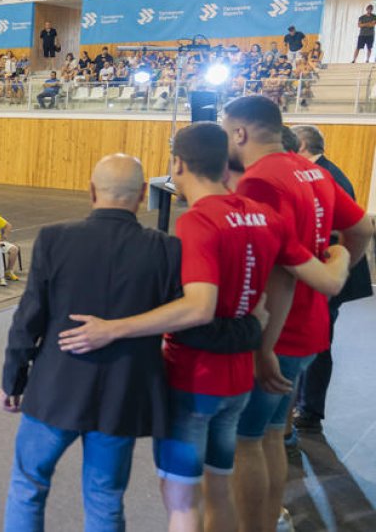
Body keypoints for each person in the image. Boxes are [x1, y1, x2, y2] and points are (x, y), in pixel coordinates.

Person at [56, 124, 352, 532]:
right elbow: (319, 279)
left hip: (195, 378)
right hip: (236, 381)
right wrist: (339, 253)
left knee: (182, 502)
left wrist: (114, 328)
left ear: (177, 164)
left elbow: (199, 307)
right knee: (219, 488)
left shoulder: (198, 222)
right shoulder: (264, 216)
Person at [1, 154, 184, 531]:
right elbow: (178, 319)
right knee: (105, 499)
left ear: (91, 191)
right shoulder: (167, 249)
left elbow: (28, 318)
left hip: (55, 391)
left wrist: (12, 381)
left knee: (28, 487)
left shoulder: (54, 239)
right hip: (122, 396)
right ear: (142, 196)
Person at [219, 96, 371, 532]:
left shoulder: (261, 182)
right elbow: (360, 229)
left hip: (275, 334)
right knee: (269, 433)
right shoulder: (314, 171)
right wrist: (333, 269)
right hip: (309, 324)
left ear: (240, 133)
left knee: (246, 441)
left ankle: (254, 524)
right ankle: (269, 517)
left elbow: (277, 273)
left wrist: (262, 346)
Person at [290, 125, 374, 435]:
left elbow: (349, 230)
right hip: (330, 273)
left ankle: (310, 410)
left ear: (300, 146)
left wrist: (333, 274)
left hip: (333, 275)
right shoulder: (322, 172)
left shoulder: (328, 177)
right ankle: (304, 404)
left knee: (319, 342)